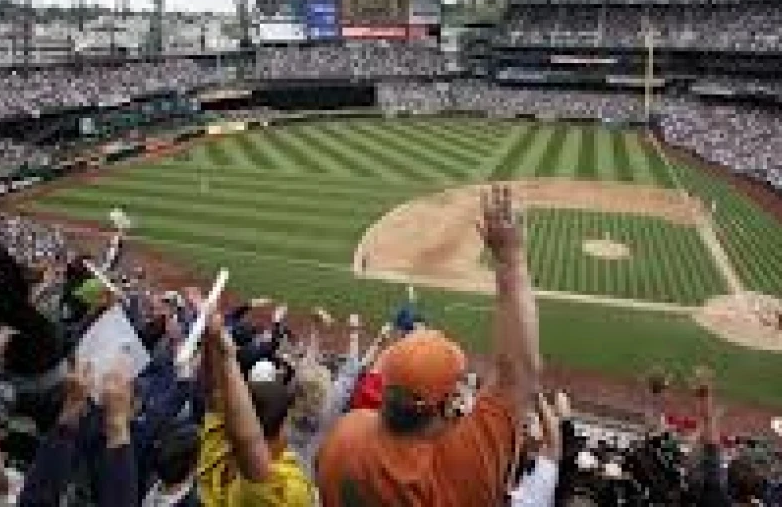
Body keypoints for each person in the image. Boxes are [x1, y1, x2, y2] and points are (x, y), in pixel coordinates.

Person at [316, 185, 541, 507]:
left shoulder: (346, 434)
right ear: (446, 406)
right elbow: (516, 374)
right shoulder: (461, 470)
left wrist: (510, 263)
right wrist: (511, 261)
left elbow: (516, 377)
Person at [197, 310, 316, 506]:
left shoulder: (218, 451)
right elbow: (249, 444)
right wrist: (226, 354)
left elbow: (214, 392)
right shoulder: (269, 490)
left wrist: (212, 340)